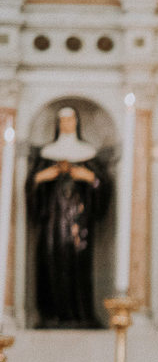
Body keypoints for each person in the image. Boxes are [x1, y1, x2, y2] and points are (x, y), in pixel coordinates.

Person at [26, 106, 111, 328]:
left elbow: (103, 185)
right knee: (51, 262)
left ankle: (79, 313)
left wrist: (90, 178)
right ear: (57, 124)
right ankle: (52, 314)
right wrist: (41, 178)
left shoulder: (87, 154)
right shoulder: (47, 155)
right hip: (53, 221)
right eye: (62, 121)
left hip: (80, 222)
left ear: (76, 123)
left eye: (70, 120)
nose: (66, 124)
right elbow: (32, 187)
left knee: (78, 265)